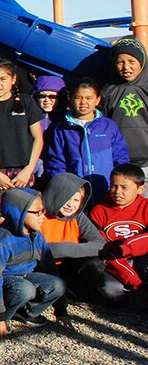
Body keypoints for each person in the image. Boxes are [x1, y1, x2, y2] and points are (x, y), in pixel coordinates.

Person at [0, 188, 66, 338]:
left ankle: (25, 312)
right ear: (19, 213)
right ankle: (4, 315)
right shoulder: (0, 243)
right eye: (37, 212)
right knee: (25, 290)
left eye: (43, 211)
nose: (43, 217)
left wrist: (61, 310)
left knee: (59, 284)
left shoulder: (37, 236)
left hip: (26, 276)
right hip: (5, 281)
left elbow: (50, 268)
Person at [0, 58, 45, 228]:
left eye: (3, 79)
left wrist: (28, 169)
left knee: (28, 217)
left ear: (13, 79)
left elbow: (38, 138)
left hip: (24, 172)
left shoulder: (27, 102)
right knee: (1, 218)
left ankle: (28, 252)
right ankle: (3, 252)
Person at [45, 77, 129, 201]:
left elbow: (121, 158)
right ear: (70, 98)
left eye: (89, 98)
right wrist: (65, 189)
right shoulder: (62, 128)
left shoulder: (108, 126)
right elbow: (56, 163)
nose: (83, 102)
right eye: (78, 98)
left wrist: (119, 186)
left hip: (107, 191)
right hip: (76, 194)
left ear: (97, 99)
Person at [40, 173, 105, 319]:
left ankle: (73, 295)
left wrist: (62, 249)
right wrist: (62, 250)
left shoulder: (78, 216)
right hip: (39, 267)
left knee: (96, 262)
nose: (71, 204)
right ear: (54, 195)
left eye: (76, 200)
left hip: (66, 265)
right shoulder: (37, 212)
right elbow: (35, 250)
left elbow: (100, 244)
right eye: (66, 199)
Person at [89, 164, 148, 303]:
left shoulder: (145, 207)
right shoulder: (99, 211)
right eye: (114, 186)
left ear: (141, 189)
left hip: (142, 256)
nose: (117, 192)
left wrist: (128, 247)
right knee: (112, 293)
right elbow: (102, 246)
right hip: (114, 261)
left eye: (124, 187)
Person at [101, 36, 148, 170]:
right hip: (118, 161)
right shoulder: (108, 90)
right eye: (120, 62)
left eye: (131, 61)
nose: (126, 67)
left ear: (142, 62)